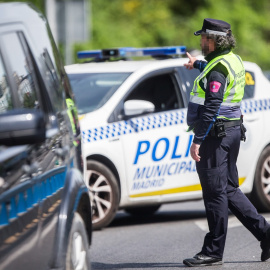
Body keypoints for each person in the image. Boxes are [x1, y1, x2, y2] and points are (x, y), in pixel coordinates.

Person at [183, 18, 270, 267]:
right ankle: (266, 233)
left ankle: (213, 251)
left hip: (215, 135)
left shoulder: (219, 68)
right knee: (229, 189)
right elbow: (213, 71)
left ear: (216, 41)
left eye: (205, 39)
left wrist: (197, 140)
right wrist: (196, 63)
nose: (201, 41)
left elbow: (211, 105)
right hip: (231, 132)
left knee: (214, 193)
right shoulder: (232, 59)